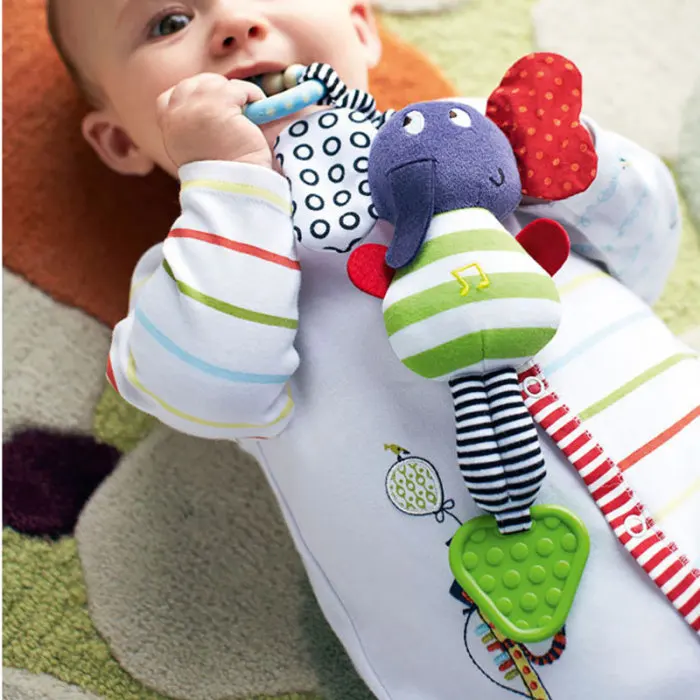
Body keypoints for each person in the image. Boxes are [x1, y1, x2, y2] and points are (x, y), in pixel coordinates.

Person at [47, 1, 700, 698]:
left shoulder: (480, 141)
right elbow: (208, 388)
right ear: (120, 140)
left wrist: (569, 158)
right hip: (565, 663)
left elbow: (642, 248)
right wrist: (229, 182)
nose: (236, 25)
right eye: (167, 23)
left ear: (361, 27)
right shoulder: (192, 277)